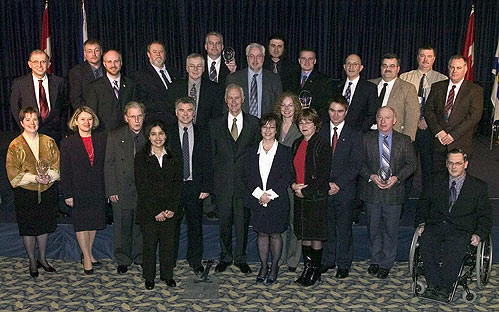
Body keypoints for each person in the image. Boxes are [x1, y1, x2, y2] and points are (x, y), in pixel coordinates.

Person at [417, 149, 492, 300]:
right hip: (436, 225)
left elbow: (485, 216)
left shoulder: (478, 187)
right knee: (427, 240)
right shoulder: (435, 181)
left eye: (458, 163)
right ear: (446, 164)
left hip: (461, 228)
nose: (453, 167)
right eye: (450, 163)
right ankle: (432, 284)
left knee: (454, 246)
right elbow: (423, 204)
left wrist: (479, 234)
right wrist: (421, 223)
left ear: (465, 164)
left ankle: (445, 287)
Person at [359, 106, 417, 279]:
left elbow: (412, 164)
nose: (383, 121)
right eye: (380, 118)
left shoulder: (404, 140)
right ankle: (375, 260)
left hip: (394, 192)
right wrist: (370, 176)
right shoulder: (366, 139)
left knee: (391, 230)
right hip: (372, 192)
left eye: (387, 117)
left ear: (395, 120)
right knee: (373, 228)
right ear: (376, 120)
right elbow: (358, 163)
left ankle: (386, 263)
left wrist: (397, 178)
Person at [210, 84, 260, 274]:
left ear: (243, 99)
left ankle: (240, 258)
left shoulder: (254, 123)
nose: (233, 102)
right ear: (225, 100)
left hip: (244, 185)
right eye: (230, 98)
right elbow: (212, 156)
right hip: (222, 185)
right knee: (224, 224)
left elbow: (256, 157)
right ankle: (225, 257)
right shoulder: (215, 124)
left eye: (237, 98)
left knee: (241, 224)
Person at [6, 107, 60, 278]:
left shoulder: (48, 141)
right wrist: (33, 178)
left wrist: (48, 177)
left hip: (46, 190)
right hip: (25, 192)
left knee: (43, 226)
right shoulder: (15, 145)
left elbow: (56, 163)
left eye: (35, 119)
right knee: (29, 228)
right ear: (21, 123)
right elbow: (12, 171)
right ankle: (31, 260)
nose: (32, 123)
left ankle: (43, 259)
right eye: (28, 119)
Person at [134, 121, 182, 290]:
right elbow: (142, 187)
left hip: (170, 211)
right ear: (148, 137)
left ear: (166, 135)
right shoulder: (141, 157)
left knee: (168, 245)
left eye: (161, 133)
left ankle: (167, 275)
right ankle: (149, 277)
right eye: (153, 134)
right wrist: (156, 211)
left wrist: (172, 209)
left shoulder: (174, 156)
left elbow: (178, 185)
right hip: (149, 211)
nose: (158, 137)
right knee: (149, 245)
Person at [318, 95, 363, 278]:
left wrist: (338, 184)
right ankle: (328, 261)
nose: (335, 115)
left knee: (344, 228)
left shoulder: (354, 134)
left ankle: (343, 264)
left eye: (340, 111)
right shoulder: (319, 132)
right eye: (332, 111)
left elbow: (356, 164)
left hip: (345, 190)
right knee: (327, 227)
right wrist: (325, 184)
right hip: (324, 188)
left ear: (346, 112)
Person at [245, 113, 292, 285]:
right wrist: (259, 195)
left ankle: (274, 267)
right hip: (258, 200)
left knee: (275, 234)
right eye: (265, 126)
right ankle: (263, 266)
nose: (268, 130)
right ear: (260, 129)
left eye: (272, 127)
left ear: (276, 129)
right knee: (262, 233)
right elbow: (247, 176)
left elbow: (287, 177)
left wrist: (269, 196)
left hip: (277, 201)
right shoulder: (251, 151)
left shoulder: (285, 151)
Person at [168, 97, 213, 275]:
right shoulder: (168, 133)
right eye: (181, 110)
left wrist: (206, 187)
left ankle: (195, 260)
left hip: (196, 187)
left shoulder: (203, 132)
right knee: (172, 227)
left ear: (194, 112)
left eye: (189, 110)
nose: (185, 114)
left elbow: (208, 162)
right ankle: (169, 260)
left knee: (195, 226)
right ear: (176, 112)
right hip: (174, 188)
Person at [60, 106, 107, 275]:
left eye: (89, 119)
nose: (86, 122)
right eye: (82, 119)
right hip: (77, 190)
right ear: (75, 122)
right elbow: (64, 170)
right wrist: (68, 194)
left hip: (97, 188)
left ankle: (89, 252)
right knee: (81, 224)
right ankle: (86, 258)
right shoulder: (68, 142)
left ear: (93, 121)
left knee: (93, 221)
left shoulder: (101, 139)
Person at [104, 101, 146, 274]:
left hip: (143, 190)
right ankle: (123, 259)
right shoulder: (115, 136)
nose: (136, 120)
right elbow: (109, 164)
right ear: (126, 118)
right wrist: (111, 190)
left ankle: (140, 256)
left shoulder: (151, 135)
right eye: (132, 116)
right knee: (122, 225)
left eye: (139, 116)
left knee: (140, 225)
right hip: (121, 189)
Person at [400, 46, 448, 197]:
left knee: (429, 169)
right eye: (422, 56)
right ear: (417, 57)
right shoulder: (405, 77)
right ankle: (402, 200)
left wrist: (427, 120)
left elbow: (444, 109)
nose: (425, 59)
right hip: (408, 130)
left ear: (434, 59)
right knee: (406, 167)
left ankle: (426, 203)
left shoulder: (442, 80)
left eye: (429, 56)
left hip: (431, 131)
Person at [291, 108, 332, 287]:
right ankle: (307, 268)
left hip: (315, 197)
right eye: (301, 122)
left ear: (315, 124)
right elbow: (292, 169)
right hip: (299, 196)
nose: (304, 125)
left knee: (315, 236)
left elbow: (324, 176)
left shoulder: (322, 144)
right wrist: (293, 185)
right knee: (304, 235)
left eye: (308, 122)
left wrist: (306, 191)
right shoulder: (296, 143)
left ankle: (315, 271)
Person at [424, 55, 483, 171]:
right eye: (452, 67)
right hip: (438, 143)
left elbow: (474, 117)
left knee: (458, 181)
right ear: (448, 68)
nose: (454, 71)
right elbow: (428, 111)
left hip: (460, 143)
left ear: (465, 70)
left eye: (458, 68)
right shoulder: (437, 87)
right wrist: (439, 132)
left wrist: (453, 135)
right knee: (437, 179)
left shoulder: (475, 90)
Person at [273, 92, 303, 272]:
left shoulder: (301, 128)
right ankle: (280, 256)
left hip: (294, 182)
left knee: (294, 221)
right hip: (276, 182)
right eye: (283, 105)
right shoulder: (273, 126)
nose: (286, 109)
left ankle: (293, 259)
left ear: (296, 107)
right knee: (280, 222)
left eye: (290, 105)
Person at [10, 49, 66, 143]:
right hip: (29, 134)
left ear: (49, 64)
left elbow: (64, 107)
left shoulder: (59, 82)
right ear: (29, 64)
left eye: (43, 62)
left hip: (54, 135)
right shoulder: (19, 83)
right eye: (35, 62)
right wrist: (26, 128)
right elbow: (15, 108)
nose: (39, 65)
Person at [369, 53, 420, 142]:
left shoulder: (408, 88)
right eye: (385, 66)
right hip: (368, 135)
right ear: (381, 67)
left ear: (398, 69)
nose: (387, 69)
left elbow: (412, 117)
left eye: (392, 66)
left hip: (395, 137)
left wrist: (408, 140)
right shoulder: (369, 84)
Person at [165, 53, 224, 128]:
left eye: (199, 66)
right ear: (187, 68)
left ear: (203, 68)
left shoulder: (214, 89)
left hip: (206, 134)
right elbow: (170, 112)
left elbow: (216, 116)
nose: (195, 69)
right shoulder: (175, 87)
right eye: (192, 66)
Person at [85, 49, 137, 132]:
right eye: (109, 62)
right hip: (104, 135)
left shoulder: (131, 84)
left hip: (127, 134)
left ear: (121, 63)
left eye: (116, 61)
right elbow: (92, 114)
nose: (113, 65)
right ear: (104, 64)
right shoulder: (94, 87)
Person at [226, 43, 282, 118]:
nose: (255, 60)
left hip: (266, 126)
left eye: (258, 56)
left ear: (263, 58)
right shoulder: (234, 78)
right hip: (241, 125)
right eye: (251, 56)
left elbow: (278, 106)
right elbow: (227, 106)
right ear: (247, 58)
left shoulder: (274, 79)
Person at [135, 41, 179, 124]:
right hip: (156, 123)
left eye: (161, 52)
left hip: (176, 121)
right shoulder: (141, 76)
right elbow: (143, 102)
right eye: (154, 52)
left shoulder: (174, 72)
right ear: (148, 54)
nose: (158, 55)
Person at [336, 54, 378, 132]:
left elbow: (371, 115)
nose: (351, 67)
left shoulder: (370, 88)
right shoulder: (335, 86)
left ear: (361, 68)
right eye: (349, 64)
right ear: (344, 67)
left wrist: (358, 132)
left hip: (358, 135)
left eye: (355, 64)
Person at [291, 49, 334, 116]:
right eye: (303, 58)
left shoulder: (324, 81)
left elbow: (325, 106)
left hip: (313, 120)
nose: (307, 62)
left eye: (310, 59)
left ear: (315, 61)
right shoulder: (290, 78)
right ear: (299, 61)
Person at [69, 39, 104, 109]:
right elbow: (76, 99)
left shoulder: (109, 68)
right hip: (87, 114)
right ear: (85, 54)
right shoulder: (76, 72)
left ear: (101, 51)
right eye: (89, 51)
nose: (93, 54)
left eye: (96, 50)